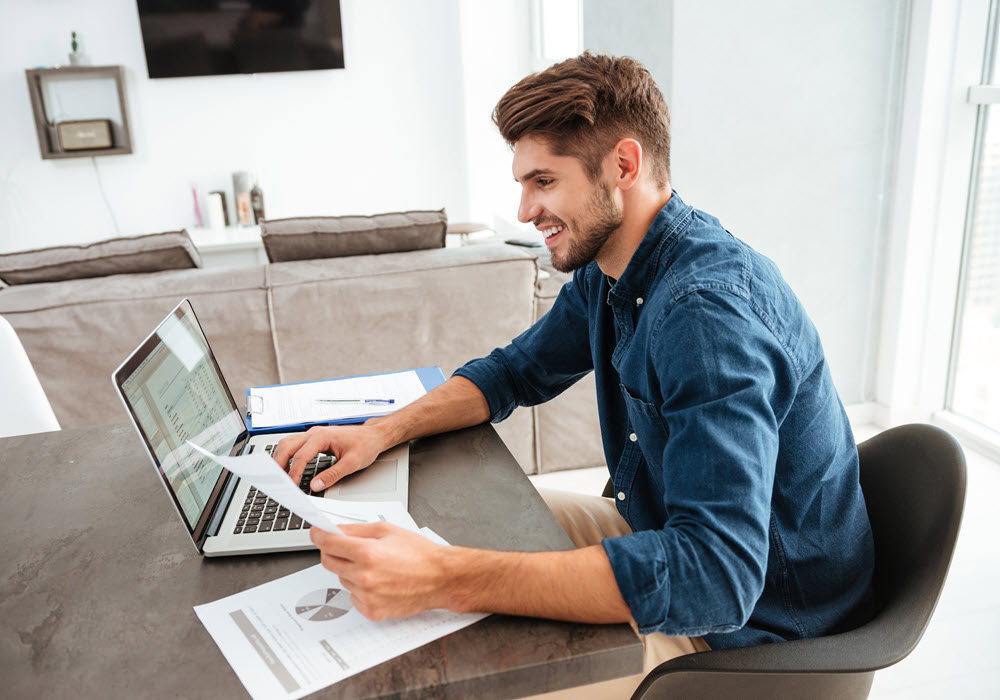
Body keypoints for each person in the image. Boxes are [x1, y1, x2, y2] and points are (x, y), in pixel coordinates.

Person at [273, 51, 875, 697]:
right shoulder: (612, 266)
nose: (526, 209)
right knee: (446, 518)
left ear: (623, 164)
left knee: (449, 655)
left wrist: (446, 576)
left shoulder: (706, 316)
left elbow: (716, 577)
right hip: (661, 536)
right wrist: (379, 431)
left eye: (543, 181)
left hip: (755, 635)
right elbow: (513, 373)